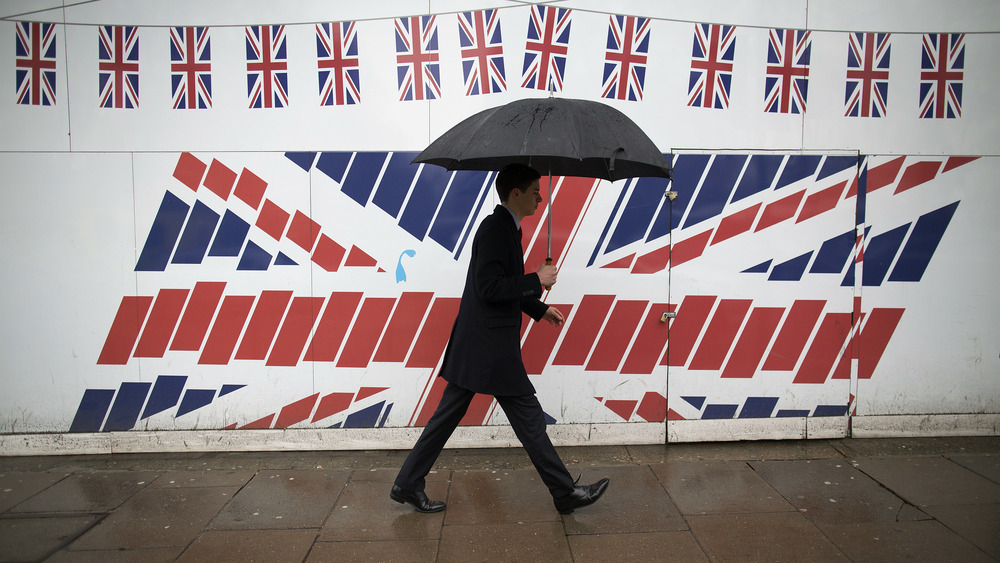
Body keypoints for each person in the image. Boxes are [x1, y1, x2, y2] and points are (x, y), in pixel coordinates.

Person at [391, 163, 609, 515]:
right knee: (529, 418)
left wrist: (538, 309)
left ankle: (407, 483)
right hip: (490, 348)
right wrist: (536, 279)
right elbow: (490, 288)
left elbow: (502, 286)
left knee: (449, 417)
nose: (541, 196)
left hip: (481, 345)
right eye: (536, 190)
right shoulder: (496, 229)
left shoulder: (508, 228)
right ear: (516, 193)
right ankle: (564, 492)